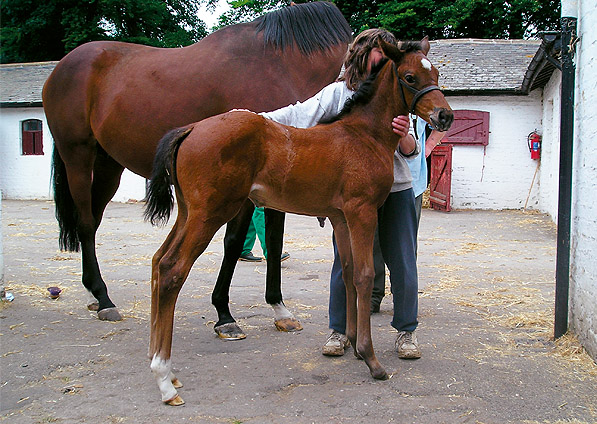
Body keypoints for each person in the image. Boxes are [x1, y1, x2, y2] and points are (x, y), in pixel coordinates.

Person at [259, 28, 422, 359]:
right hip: (351, 191)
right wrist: (251, 122)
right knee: (345, 262)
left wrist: (404, 135)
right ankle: (339, 329)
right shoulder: (337, 94)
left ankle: (406, 332)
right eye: (382, 52)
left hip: (396, 186)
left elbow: (412, 150)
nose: (388, 57)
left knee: (402, 260)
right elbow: (297, 115)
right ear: (363, 54)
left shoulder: (398, 90)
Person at [369, 117, 445, 310]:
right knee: (372, 241)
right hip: (375, 180)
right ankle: (373, 296)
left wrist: (428, 146)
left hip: (412, 181)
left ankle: (402, 298)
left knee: (404, 244)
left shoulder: (418, 97)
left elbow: (445, 120)